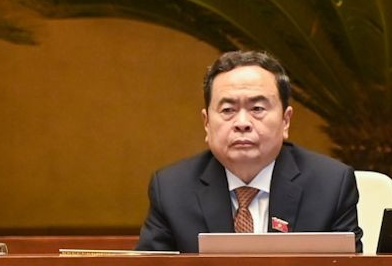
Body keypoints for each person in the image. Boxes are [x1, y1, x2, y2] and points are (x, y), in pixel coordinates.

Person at [137, 50, 362, 253]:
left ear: (285, 121)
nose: (242, 122)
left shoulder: (331, 185)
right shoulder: (171, 189)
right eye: (228, 110)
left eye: (257, 109)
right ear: (206, 123)